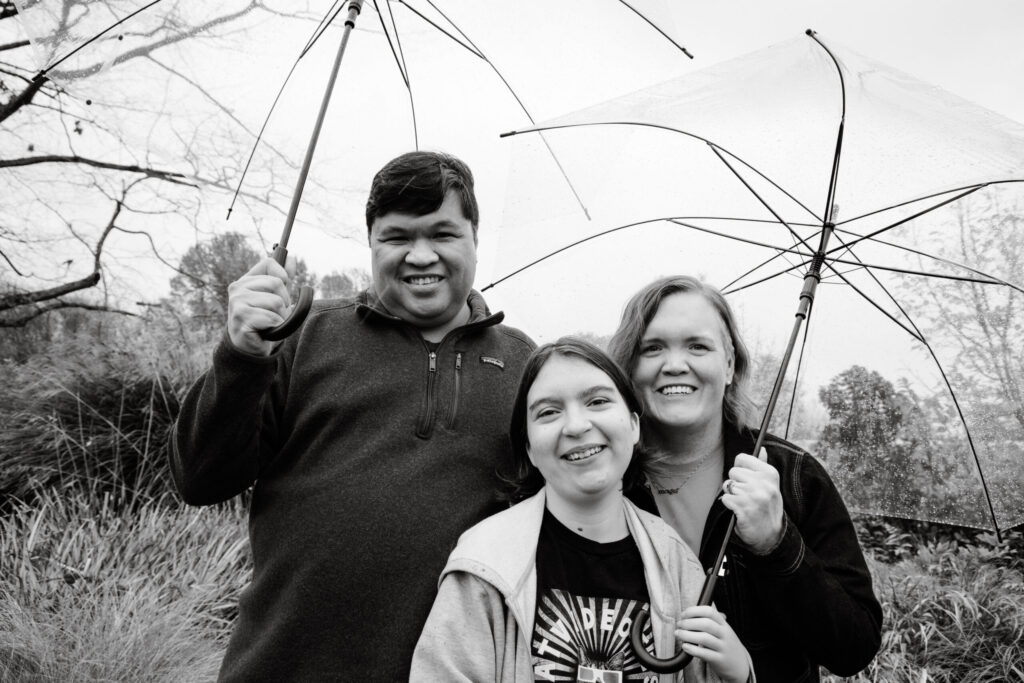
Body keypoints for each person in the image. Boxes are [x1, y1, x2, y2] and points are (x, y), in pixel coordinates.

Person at [170, 150, 535, 681]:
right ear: (371, 241)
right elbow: (199, 479)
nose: (420, 255)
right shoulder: (302, 338)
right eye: (397, 236)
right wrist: (242, 354)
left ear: (474, 237)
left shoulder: (524, 364)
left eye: (443, 234)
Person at [411, 337, 754, 683]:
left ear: (634, 425)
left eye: (598, 401)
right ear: (529, 447)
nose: (576, 426)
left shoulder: (677, 564)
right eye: (548, 412)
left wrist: (739, 674)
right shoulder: (484, 563)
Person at [607, 275, 883, 683]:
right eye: (653, 348)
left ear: (731, 364)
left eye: (698, 346)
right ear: (630, 366)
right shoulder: (608, 479)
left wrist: (778, 544)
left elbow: (853, 647)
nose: (675, 364)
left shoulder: (792, 477)